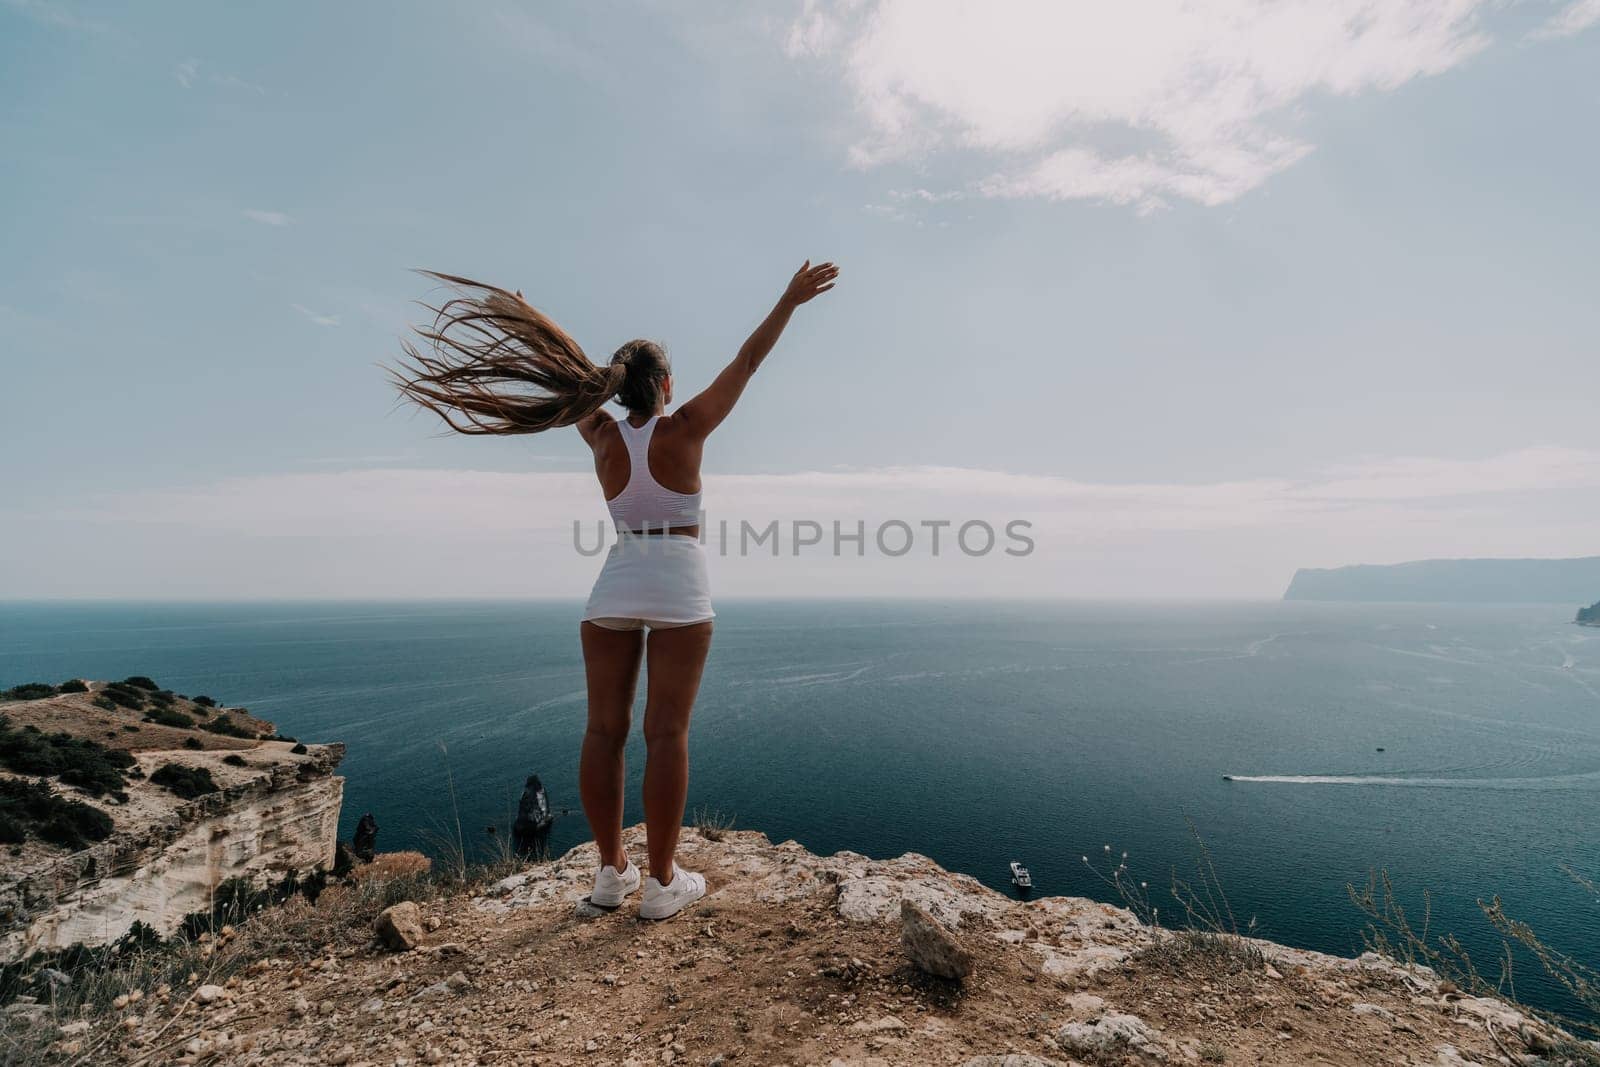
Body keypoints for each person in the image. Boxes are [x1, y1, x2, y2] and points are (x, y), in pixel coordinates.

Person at [391, 260, 839, 918]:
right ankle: (661, 883)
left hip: (613, 586)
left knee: (603, 732)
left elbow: (568, 378)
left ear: (619, 388)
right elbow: (747, 359)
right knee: (667, 735)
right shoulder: (685, 428)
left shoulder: (599, 434)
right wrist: (789, 300)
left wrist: (532, 323)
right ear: (663, 386)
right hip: (679, 584)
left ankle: (611, 874)